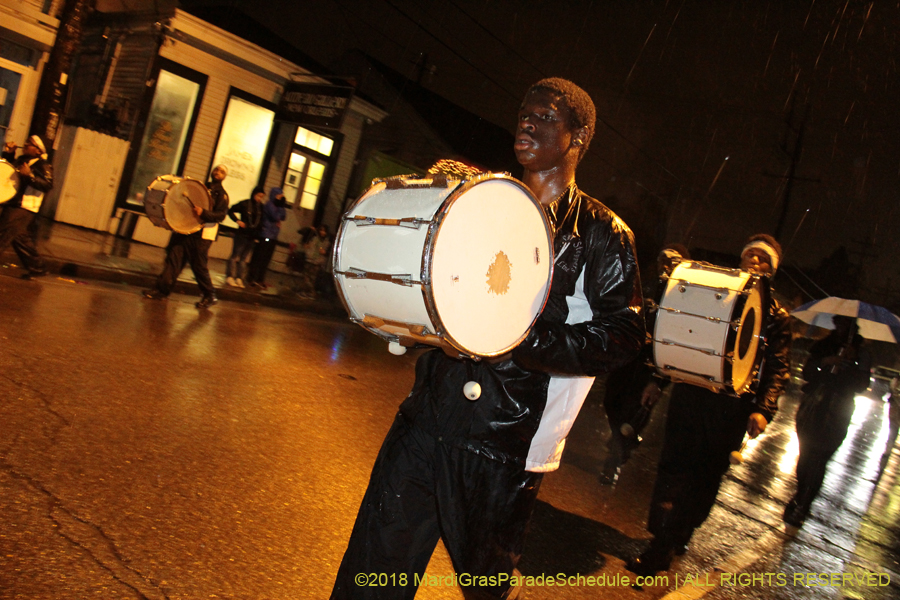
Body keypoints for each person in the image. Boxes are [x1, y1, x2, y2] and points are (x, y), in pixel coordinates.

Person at [330, 78, 645, 600]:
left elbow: (625, 335)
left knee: (485, 586)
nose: (526, 122)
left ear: (579, 137)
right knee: (373, 567)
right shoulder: (479, 203)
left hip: (507, 440)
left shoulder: (601, 232)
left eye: (545, 116)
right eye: (524, 112)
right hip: (428, 414)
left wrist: (517, 340)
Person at [627, 234, 792, 576]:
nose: (756, 262)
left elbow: (778, 367)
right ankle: (661, 542)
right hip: (692, 394)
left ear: (772, 270)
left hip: (732, 407)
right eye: (751, 255)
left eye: (764, 259)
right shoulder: (720, 291)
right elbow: (683, 334)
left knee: (704, 478)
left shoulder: (776, 315)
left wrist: (764, 409)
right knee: (673, 468)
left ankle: (677, 532)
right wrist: (657, 381)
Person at [599, 244, 690, 485]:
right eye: (664, 261)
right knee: (612, 401)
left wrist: (659, 380)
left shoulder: (686, 297)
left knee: (634, 413)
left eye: (673, 262)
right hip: (628, 360)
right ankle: (621, 441)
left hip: (653, 367)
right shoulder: (645, 283)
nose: (667, 266)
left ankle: (615, 460)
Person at [784, 315, 871, 527]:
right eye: (839, 323)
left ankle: (804, 503)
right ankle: (801, 492)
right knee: (806, 457)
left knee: (820, 458)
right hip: (814, 407)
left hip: (838, 411)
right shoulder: (823, 346)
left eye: (846, 325)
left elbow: (861, 385)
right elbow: (807, 372)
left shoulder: (862, 353)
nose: (841, 328)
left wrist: (852, 364)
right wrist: (826, 362)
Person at [142, 164, 229, 308]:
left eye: (221, 172)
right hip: (187, 230)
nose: (217, 172)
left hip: (203, 235)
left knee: (198, 266)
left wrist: (204, 213)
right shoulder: (200, 187)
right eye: (216, 169)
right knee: (174, 259)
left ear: (224, 177)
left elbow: (221, 215)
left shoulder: (222, 195)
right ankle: (161, 290)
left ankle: (209, 295)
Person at [0, 135, 53, 279]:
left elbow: (47, 185)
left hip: (24, 207)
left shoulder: (43, 165)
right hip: (15, 204)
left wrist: (30, 176)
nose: (25, 144)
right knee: (19, 239)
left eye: (29, 143)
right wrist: (9, 154)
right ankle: (37, 267)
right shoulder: (22, 160)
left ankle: (38, 267)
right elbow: (8, 172)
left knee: (3, 234)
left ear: (38, 151)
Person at [246, 187, 287, 290]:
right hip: (265, 234)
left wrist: (281, 206)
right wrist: (279, 208)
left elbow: (283, 216)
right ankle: (252, 278)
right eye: (278, 196)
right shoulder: (269, 204)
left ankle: (260, 279)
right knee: (259, 257)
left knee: (266, 259)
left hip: (273, 235)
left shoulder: (278, 206)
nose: (279, 198)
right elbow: (275, 217)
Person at [225, 186, 264, 288]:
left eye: (262, 197)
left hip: (252, 236)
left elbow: (261, 222)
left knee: (244, 258)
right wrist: (238, 221)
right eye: (259, 196)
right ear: (254, 194)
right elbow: (230, 210)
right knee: (235, 255)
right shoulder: (245, 204)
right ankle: (230, 276)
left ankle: (239, 278)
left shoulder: (261, 208)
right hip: (242, 234)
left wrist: (258, 234)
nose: (260, 199)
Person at [301, 224, 331, 295]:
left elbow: (328, 252)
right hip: (310, 259)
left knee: (312, 278)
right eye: (321, 230)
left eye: (324, 231)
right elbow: (307, 243)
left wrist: (325, 252)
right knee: (306, 277)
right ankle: (306, 291)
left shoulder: (327, 242)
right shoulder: (314, 238)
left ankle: (310, 292)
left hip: (317, 262)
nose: (322, 232)